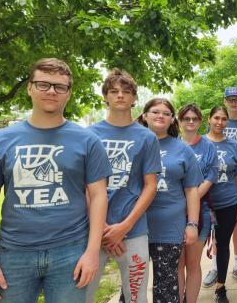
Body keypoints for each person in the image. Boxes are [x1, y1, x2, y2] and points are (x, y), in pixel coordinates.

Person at [0, 58, 111, 303]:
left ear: (68, 94)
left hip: (71, 251)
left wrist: (92, 252)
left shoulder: (88, 141)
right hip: (14, 254)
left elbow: (98, 196)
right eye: (43, 84)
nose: (52, 91)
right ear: (30, 88)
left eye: (59, 86)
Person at [85, 69, 161, 303]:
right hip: (92, 231)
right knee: (83, 294)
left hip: (134, 229)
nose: (120, 96)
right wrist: (102, 228)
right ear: (105, 96)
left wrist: (124, 227)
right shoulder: (89, 135)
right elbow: (83, 186)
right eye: (114, 91)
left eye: (126, 92)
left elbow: (150, 186)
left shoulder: (147, 137)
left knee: (136, 297)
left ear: (134, 98)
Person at [141, 98, 202, 303]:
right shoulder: (135, 145)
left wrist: (192, 224)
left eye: (166, 113)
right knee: (133, 287)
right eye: (155, 112)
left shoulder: (183, 149)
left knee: (167, 289)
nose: (160, 116)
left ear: (172, 119)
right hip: (134, 228)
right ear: (144, 115)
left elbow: (192, 190)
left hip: (169, 228)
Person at [203, 87, 237, 287]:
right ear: (224, 101)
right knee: (214, 230)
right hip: (213, 190)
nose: (233, 102)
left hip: (236, 182)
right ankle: (215, 268)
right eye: (230, 99)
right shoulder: (208, 135)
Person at [205, 106, 237, 303]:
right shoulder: (200, 143)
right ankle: (198, 278)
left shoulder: (233, 145)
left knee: (222, 244)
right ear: (209, 119)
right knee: (196, 244)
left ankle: (220, 287)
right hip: (202, 203)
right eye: (216, 118)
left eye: (223, 119)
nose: (219, 122)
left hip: (227, 202)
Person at [178, 104, 218, 303]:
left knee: (193, 263)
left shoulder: (208, 146)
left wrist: (190, 202)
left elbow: (211, 176)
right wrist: (180, 206)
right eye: (187, 118)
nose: (191, 122)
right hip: (174, 214)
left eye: (195, 118)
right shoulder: (173, 144)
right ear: (180, 121)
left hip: (200, 212)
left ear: (201, 121)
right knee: (178, 264)